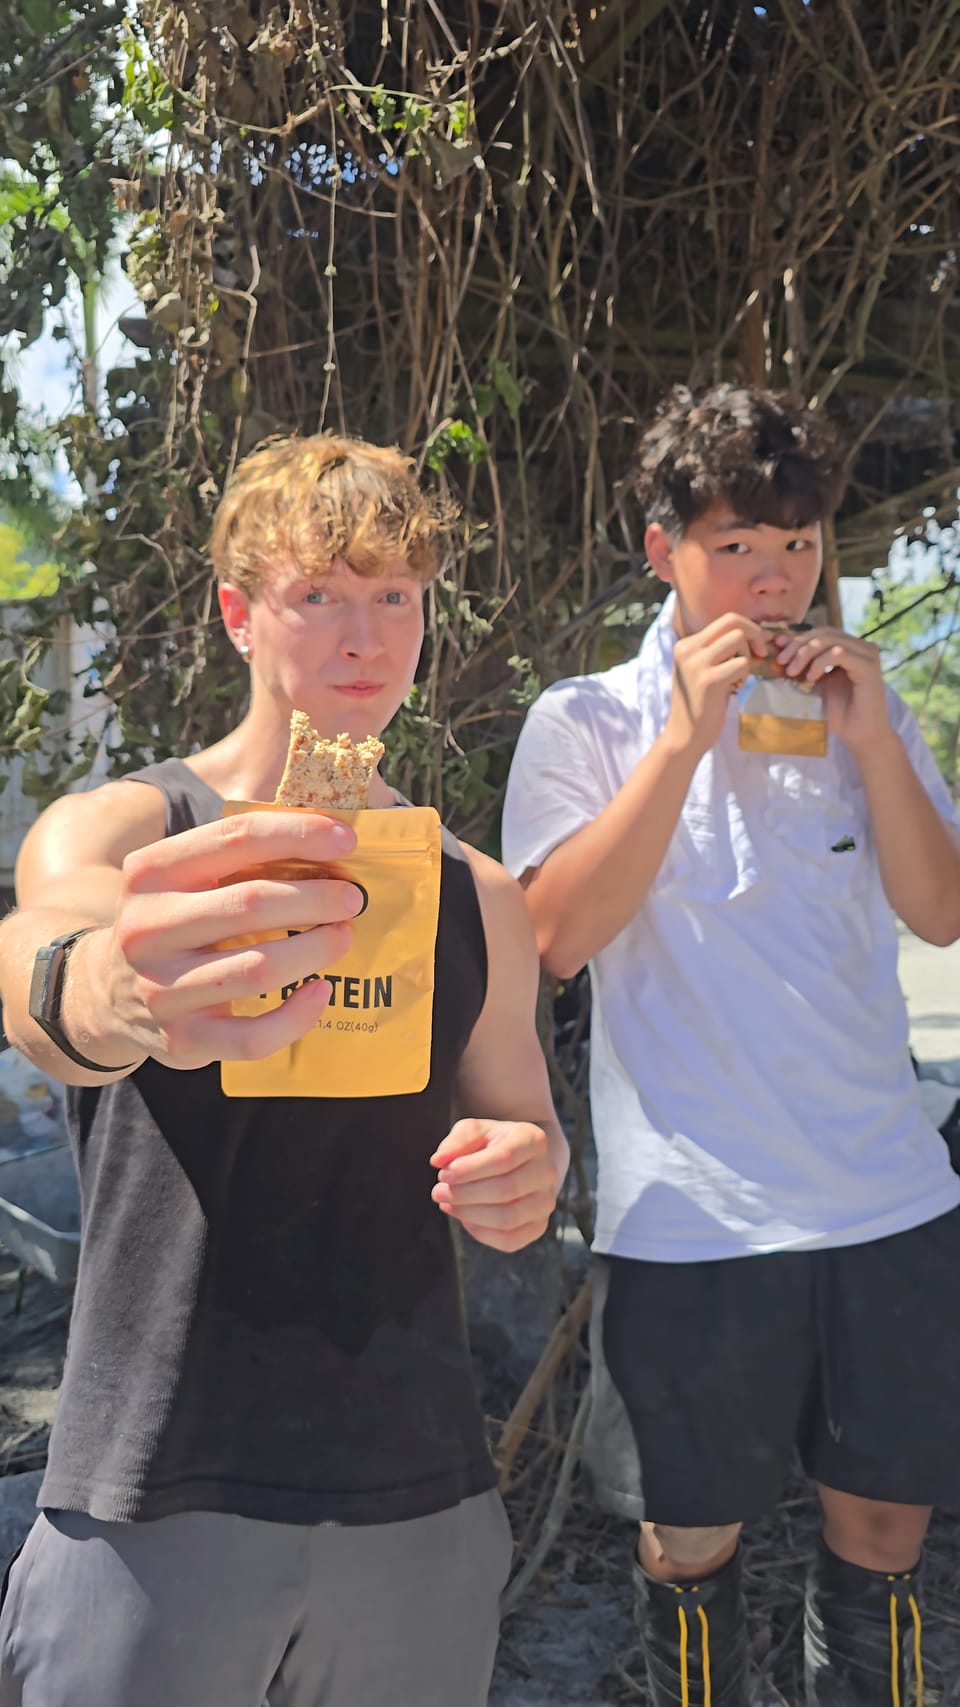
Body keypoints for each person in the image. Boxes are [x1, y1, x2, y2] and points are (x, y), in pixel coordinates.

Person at [0, 433, 569, 1707]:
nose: (365, 637)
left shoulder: (474, 893)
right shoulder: (137, 834)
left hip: (419, 1499)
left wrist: (526, 1174)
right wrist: (119, 988)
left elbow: (528, 1130)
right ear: (239, 613)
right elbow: (47, 967)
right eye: (321, 594)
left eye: (396, 597)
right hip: (155, 1496)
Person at [501, 385, 960, 1706]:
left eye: (800, 546)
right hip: (692, 1219)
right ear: (663, 551)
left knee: (884, 1535)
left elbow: (938, 910)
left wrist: (874, 735)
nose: (775, 579)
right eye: (737, 548)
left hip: (886, 1195)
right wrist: (684, 733)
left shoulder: (863, 706)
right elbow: (558, 932)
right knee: (685, 1542)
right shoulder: (586, 719)